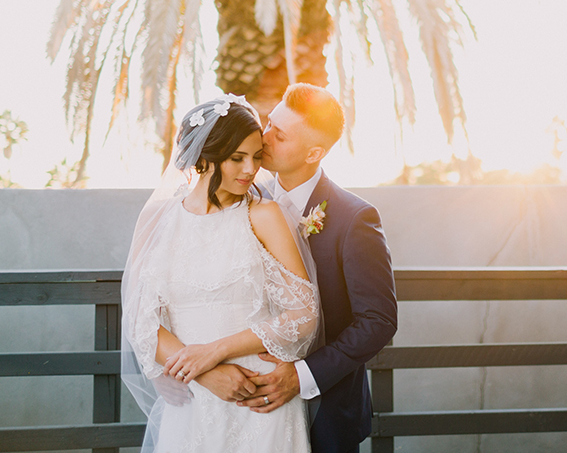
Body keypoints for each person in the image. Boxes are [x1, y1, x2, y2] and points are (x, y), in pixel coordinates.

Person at [121, 94, 321, 453]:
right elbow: (140, 317)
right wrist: (205, 373)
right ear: (204, 155)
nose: (250, 170)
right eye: (236, 158)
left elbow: (304, 314)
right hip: (194, 395)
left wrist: (215, 351)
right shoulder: (157, 220)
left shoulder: (263, 215)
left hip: (258, 395)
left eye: (256, 157)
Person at [238, 83, 397, 453]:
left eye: (280, 134)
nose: (264, 137)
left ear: (314, 152)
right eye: (269, 124)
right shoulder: (242, 200)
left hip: (325, 406)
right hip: (248, 401)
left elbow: (378, 320)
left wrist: (301, 377)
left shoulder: (354, 218)